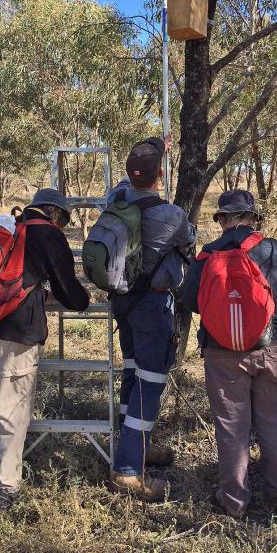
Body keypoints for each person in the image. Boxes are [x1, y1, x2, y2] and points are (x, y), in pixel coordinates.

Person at [0, 189, 89, 511]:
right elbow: (68, 291)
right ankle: (7, 488)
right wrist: (83, 300)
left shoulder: (4, 227)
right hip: (16, 332)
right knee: (10, 411)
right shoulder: (47, 234)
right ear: (54, 214)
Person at [182, 189, 277, 518]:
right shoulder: (273, 249)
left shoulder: (207, 255)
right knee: (275, 423)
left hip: (222, 353)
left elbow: (191, 301)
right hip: (272, 347)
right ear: (252, 217)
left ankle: (233, 501)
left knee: (232, 426)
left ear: (222, 219)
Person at [108, 137, 196, 502]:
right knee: (151, 382)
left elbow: (123, 183)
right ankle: (128, 469)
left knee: (133, 370)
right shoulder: (172, 216)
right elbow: (190, 244)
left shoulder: (115, 201)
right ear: (161, 174)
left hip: (122, 302)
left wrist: (152, 148)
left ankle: (134, 447)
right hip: (152, 306)